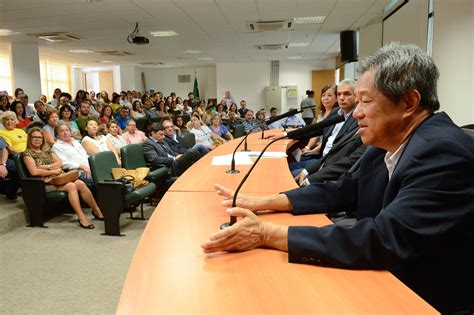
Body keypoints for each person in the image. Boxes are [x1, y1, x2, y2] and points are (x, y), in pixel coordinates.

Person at [201, 43, 474, 314]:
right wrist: (264, 201)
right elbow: (342, 189)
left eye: (366, 101)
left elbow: (385, 239)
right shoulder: (388, 144)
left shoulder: (442, 152)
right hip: (385, 277)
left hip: (421, 298)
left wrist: (267, 233)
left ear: (409, 103)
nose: (356, 113)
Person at [23, 127, 104, 229]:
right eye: (34, 137)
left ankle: (96, 210)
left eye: (39, 137)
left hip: (59, 178)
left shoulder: (47, 150)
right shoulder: (27, 153)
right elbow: (34, 172)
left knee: (80, 183)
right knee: (71, 186)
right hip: (45, 183)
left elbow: (60, 163)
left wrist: (45, 167)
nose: (37, 139)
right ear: (29, 139)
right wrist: (52, 170)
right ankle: (81, 217)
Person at [289, 79, 359, 176]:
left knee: (288, 174)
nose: (342, 98)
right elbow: (316, 130)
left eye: (347, 94)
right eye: (339, 94)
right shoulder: (336, 112)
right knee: (285, 167)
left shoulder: (358, 119)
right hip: (322, 160)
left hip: (332, 166)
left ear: (357, 96)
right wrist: (287, 135)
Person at [302, 85, 339, 156]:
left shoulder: (337, 115)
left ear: (337, 98)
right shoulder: (321, 114)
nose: (325, 98)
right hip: (317, 149)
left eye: (329, 95)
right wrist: (308, 147)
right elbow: (316, 134)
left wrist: (312, 151)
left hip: (325, 153)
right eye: (323, 95)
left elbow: (328, 140)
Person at [0, 135, 20, 199]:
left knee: (19, 167)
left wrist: (2, 164)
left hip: (2, 160)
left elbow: (5, 149)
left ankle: (10, 190)